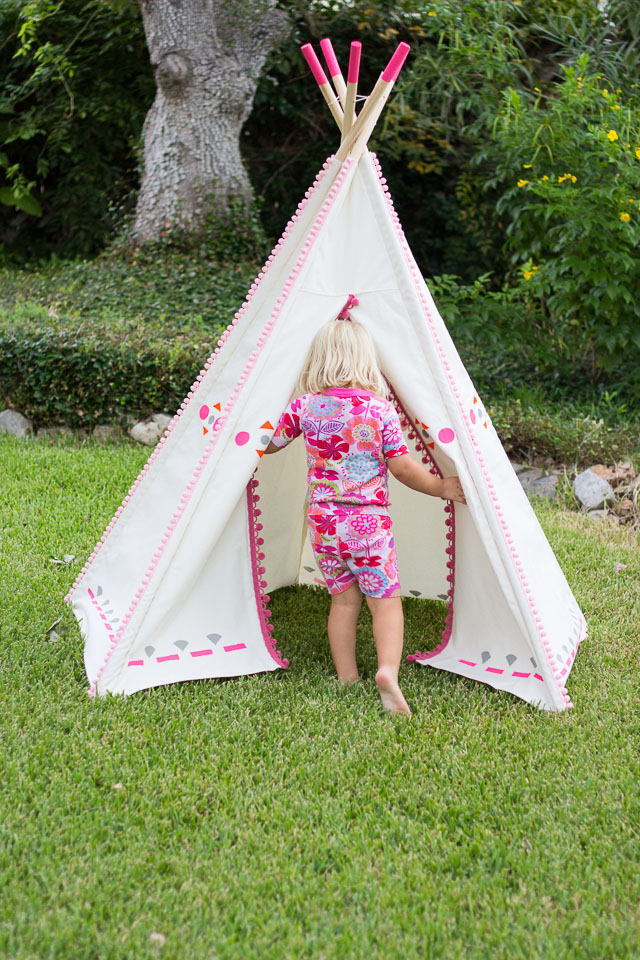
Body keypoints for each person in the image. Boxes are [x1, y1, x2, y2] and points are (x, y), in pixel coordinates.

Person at [265, 314, 466, 716]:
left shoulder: (306, 407)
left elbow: (268, 444)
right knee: (385, 602)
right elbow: (403, 468)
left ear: (318, 361)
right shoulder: (379, 411)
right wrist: (442, 486)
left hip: (323, 522)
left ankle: (347, 676)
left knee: (342, 603)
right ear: (366, 362)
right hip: (367, 525)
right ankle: (387, 671)